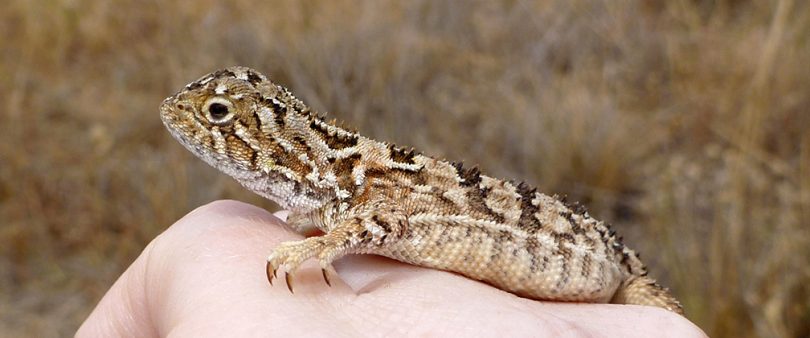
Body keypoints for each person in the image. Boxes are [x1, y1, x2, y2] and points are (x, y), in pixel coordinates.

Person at [77, 200, 705, 337]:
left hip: (609, 269)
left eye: (218, 119)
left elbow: (387, 225)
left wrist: (328, 241)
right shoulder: (334, 197)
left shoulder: (362, 195)